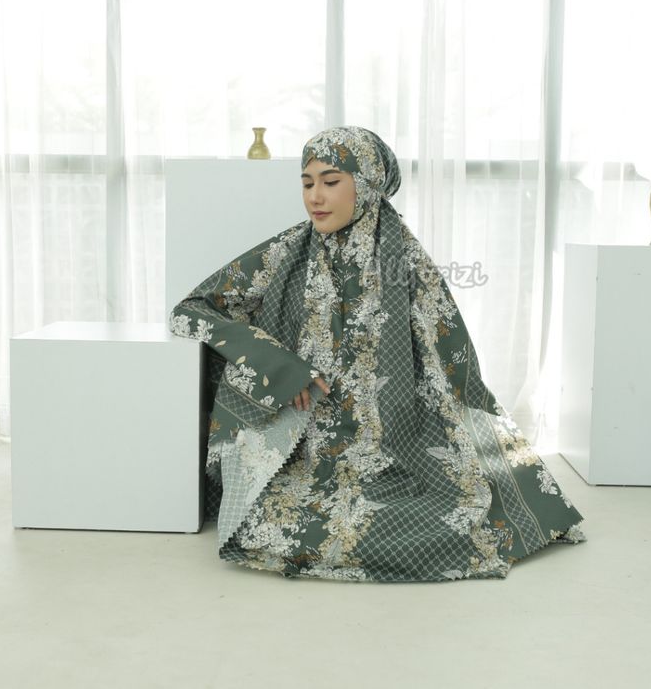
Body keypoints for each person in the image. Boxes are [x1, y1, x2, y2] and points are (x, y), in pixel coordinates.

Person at [168, 125, 586, 582]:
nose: (315, 197)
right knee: (272, 522)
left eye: (331, 181)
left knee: (446, 521)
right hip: (305, 431)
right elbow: (192, 309)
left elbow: (452, 367)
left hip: (395, 435)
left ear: (366, 184)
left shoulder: (405, 261)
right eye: (307, 183)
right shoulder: (288, 252)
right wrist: (277, 363)